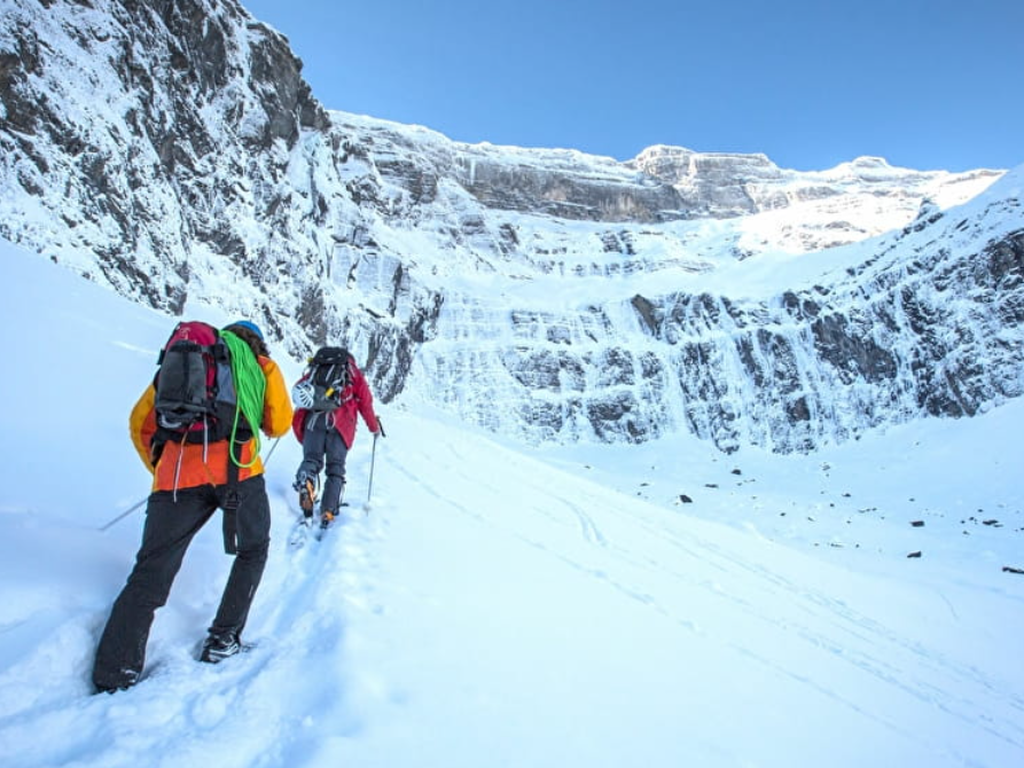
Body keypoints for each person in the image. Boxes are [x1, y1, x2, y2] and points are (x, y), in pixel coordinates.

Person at [92, 320, 293, 693]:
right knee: (252, 550)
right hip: (239, 470)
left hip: (175, 479)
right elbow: (279, 423)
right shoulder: (261, 365)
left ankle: (114, 673)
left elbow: (140, 424)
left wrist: (164, 467)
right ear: (256, 342)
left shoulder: (183, 359)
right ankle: (223, 639)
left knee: (150, 571)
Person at [292, 346, 379, 527]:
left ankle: (306, 480)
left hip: (313, 421)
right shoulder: (353, 373)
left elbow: (301, 392)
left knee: (311, 459)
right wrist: (374, 427)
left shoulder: (316, 370)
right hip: (340, 426)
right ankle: (328, 511)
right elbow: (365, 402)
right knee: (335, 468)